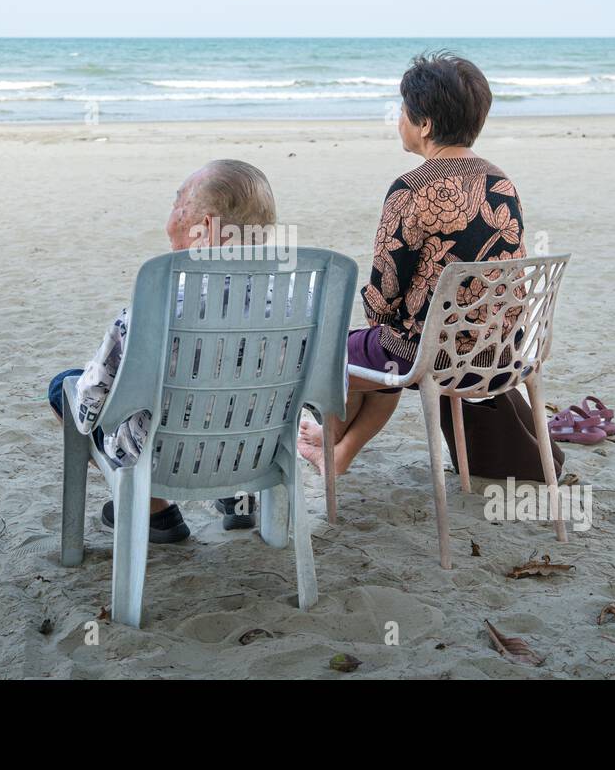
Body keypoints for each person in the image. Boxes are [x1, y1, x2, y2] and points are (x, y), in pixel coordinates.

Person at [298, 53, 563, 480]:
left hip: (433, 357)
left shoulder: (412, 188)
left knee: (331, 351)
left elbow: (382, 300)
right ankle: (337, 451)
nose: (398, 120)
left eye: (403, 111)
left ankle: (330, 444)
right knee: (381, 347)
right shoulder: (502, 183)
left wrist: (384, 320)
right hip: (500, 353)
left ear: (425, 124)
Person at [48, 159, 279, 543]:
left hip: (166, 458)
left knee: (64, 386)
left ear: (205, 228)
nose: (169, 217)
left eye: (177, 204)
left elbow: (92, 397)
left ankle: (157, 511)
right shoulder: (300, 301)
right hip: (256, 452)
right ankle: (236, 491)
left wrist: (87, 414)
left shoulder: (157, 302)